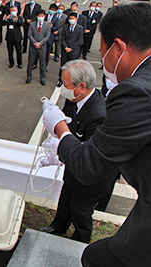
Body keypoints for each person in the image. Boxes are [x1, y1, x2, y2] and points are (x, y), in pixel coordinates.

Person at [42, 4, 151, 266]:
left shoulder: (135, 92)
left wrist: (60, 130)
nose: (104, 63)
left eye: (103, 54)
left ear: (118, 48)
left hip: (101, 183)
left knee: (95, 257)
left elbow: (90, 163)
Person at [39, 60, 118, 244]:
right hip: (74, 164)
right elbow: (69, 123)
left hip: (93, 173)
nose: (62, 89)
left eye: (65, 85)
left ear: (81, 87)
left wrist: (60, 144)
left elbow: (88, 152)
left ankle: (80, 240)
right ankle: (59, 225)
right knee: (65, 198)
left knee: (80, 209)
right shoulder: (74, 99)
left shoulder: (99, 114)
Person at [57, 12, 84, 87]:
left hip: (74, 51)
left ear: (76, 19)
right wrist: (66, 47)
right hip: (65, 50)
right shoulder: (65, 27)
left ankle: (72, 80)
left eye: (73, 18)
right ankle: (61, 79)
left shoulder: (80, 28)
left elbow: (80, 40)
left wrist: (71, 48)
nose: (71, 20)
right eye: (70, 18)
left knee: (73, 67)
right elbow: (62, 38)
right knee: (63, 66)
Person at [26, 10, 50, 86]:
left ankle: (42, 78)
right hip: (33, 46)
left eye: (42, 16)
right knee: (30, 62)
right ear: (36, 16)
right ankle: (29, 76)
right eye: (39, 15)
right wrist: (35, 43)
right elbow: (29, 35)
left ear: (44, 16)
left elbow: (47, 36)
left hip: (42, 47)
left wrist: (40, 43)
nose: (40, 17)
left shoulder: (47, 25)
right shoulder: (32, 24)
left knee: (42, 63)